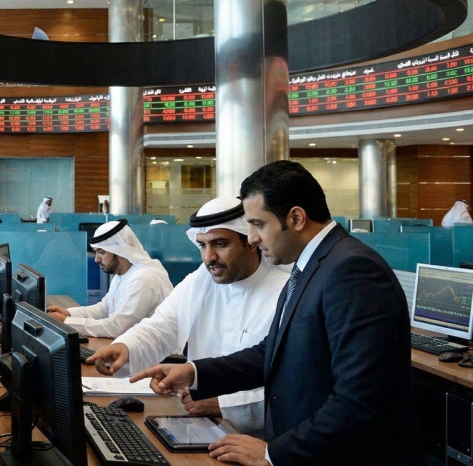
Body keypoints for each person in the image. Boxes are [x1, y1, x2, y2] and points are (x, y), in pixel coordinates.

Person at [136, 160, 424, 466]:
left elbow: (359, 399)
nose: (253, 238)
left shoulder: (352, 270)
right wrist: (195, 373)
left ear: (296, 218)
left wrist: (271, 454)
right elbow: (271, 352)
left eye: (258, 225)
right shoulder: (311, 265)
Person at [87, 197, 288, 434]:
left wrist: (225, 405)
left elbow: (292, 386)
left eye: (220, 244)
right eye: (203, 245)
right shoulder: (201, 280)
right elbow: (161, 326)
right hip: (199, 424)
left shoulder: (285, 292)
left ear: (251, 242)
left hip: (261, 440)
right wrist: (125, 347)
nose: (209, 257)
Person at [46, 220, 172, 338]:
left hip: (156, 353)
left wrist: (67, 322)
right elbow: (104, 309)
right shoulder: (120, 275)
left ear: (119, 251)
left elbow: (117, 327)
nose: (96, 259)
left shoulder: (142, 278)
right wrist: (69, 313)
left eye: (101, 252)